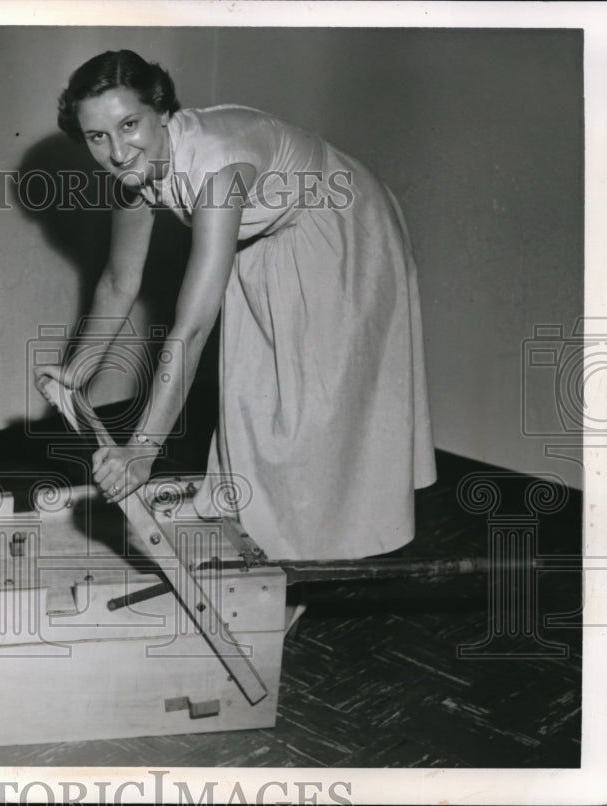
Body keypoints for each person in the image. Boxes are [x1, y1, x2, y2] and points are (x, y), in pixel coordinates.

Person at [36, 49, 435, 561]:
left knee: (314, 413)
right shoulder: (133, 172)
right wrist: (76, 372)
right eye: (97, 136)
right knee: (252, 402)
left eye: (129, 124)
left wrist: (143, 450)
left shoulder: (216, 165)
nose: (116, 151)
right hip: (270, 236)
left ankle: (323, 552)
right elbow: (119, 282)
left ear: (161, 111)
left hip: (340, 222)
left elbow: (195, 325)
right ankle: (268, 546)